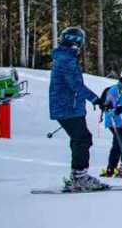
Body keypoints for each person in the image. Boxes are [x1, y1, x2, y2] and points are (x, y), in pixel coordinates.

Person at [48, 26, 111, 191]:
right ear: (76, 43)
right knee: (83, 139)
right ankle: (79, 177)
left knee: (79, 139)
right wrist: (96, 99)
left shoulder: (64, 58)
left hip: (69, 107)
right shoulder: (66, 60)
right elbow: (76, 85)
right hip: (68, 107)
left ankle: (77, 175)